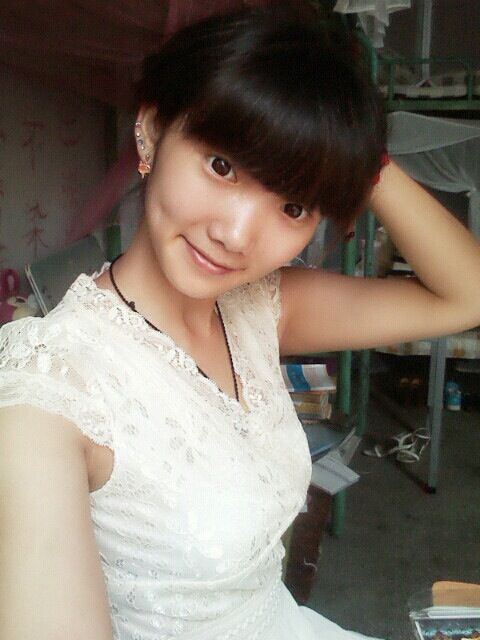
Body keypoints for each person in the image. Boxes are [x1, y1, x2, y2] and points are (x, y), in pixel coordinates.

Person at [1, 6, 480, 640]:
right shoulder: (48, 392)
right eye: (222, 166)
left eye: (292, 205)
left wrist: (353, 152)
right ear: (151, 132)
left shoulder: (259, 309)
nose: (235, 236)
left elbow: (466, 295)